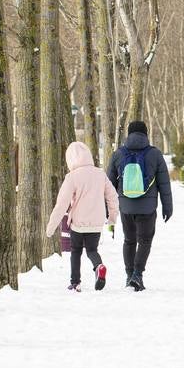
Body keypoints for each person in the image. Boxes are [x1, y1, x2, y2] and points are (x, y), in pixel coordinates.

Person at [107, 121, 173, 292]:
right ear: (146, 133)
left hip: (126, 207)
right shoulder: (155, 154)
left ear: (129, 134)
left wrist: (108, 209)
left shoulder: (118, 154)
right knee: (144, 240)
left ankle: (129, 275)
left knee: (129, 240)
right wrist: (168, 206)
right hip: (147, 207)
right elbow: (164, 183)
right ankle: (137, 274)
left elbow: (109, 185)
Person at [46, 141, 119, 292]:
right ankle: (99, 266)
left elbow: (61, 204)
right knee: (92, 250)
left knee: (76, 251)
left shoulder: (72, 177)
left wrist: (51, 227)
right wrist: (112, 218)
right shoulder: (100, 174)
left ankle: (75, 282)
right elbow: (113, 196)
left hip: (78, 223)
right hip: (96, 222)